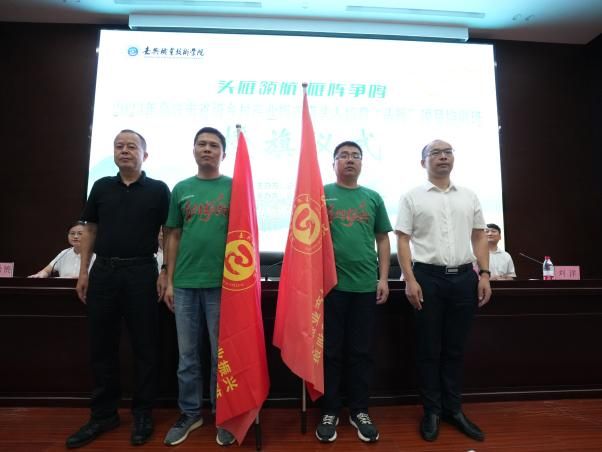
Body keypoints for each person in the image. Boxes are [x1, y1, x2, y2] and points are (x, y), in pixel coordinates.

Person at [65, 129, 170, 449]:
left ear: (144, 155)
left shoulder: (158, 190)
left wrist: (165, 270)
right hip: (104, 272)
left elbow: (169, 233)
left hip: (141, 272)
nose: (124, 150)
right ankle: (103, 414)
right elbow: (90, 230)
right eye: (119, 146)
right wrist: (84, 272)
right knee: (101, 346)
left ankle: (143, 413)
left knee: (145, 346)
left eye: (131, 146)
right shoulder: (101, 187)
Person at [395, 139, 492, 443]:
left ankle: (453, 409)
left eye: (448, 152)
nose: (443, 157)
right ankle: (432, 411)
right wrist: (410, 279)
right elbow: (402, 240)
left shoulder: (469, 196)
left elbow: (479, 237)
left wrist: (484, 273)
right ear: (423, 162)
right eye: (435, 153)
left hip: (464, 279)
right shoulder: (412, 197)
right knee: (428, 349)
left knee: (455, 348)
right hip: (427, 278)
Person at [163, 127, 235, 447]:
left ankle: (223, 414)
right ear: (193, 150)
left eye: (214, 145)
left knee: (222, 356)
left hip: (223, 286)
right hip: (185, 285)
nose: (207, 149)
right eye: (201, 144)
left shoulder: (235, 187)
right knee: (187, 357)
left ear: (223, 153)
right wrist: (169, 279)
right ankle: (191, 413)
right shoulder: (182, 189)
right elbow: (173, 236)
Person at [316, 141, 392, 444]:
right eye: (343, 156)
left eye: (355, 156)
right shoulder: (320, 194)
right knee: (331, 352)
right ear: (333, 162)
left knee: (361, 352)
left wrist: (383, 278)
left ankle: (359, 410)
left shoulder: (372, 197)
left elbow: (382, 239)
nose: (350, 160)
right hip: (331, 289)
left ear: (362, 163)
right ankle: (330, 410)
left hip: (365, 287)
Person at [29, 222, 96, 278]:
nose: (75, 236)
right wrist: (40, 275)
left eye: (80, 233)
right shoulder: (64, 253)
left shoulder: (95, 255)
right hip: (65, 288)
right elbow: (46, 271)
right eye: (72, 233)